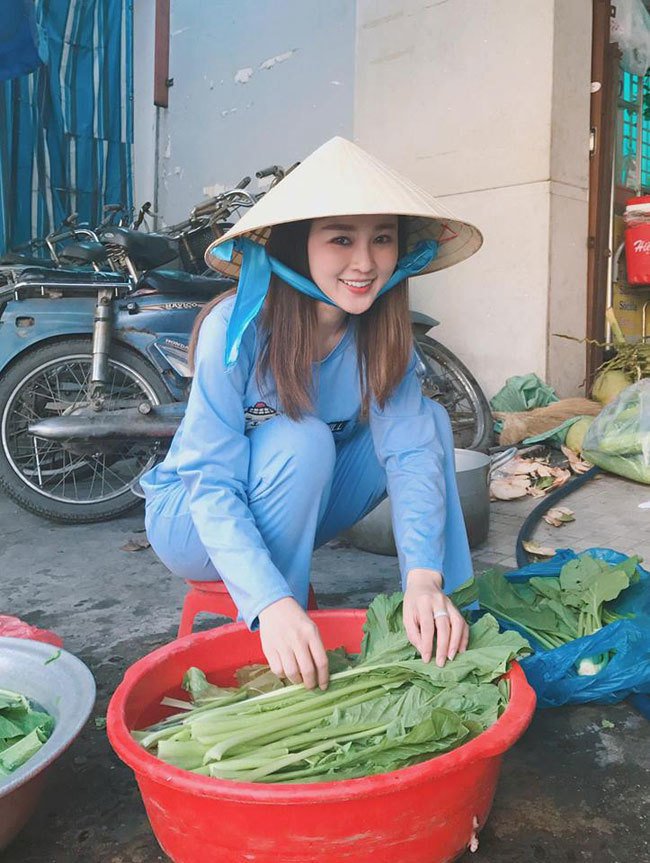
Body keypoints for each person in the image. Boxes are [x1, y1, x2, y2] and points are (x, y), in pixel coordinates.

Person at [140, 136, 483, 693]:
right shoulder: (238, 328)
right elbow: (211, 481)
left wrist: (423, 577)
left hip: (300, 501)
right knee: (302, 439)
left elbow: (411, 455)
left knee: (430, 429)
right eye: (341, 239)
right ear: (298, 246)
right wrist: (272, 603)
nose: (365, 263)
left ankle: (445, 615)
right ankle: (279, 635)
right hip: (194, 520)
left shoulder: (382, 333)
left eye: (383, 239)